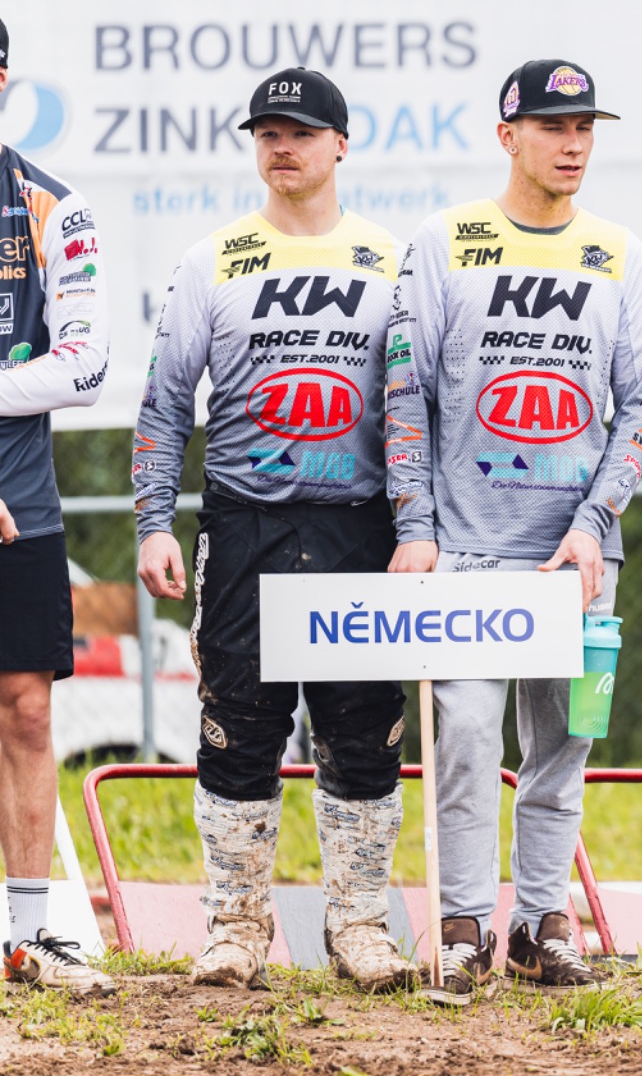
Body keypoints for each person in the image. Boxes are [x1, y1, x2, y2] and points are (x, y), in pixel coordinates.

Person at [387, 59, 642, 1004]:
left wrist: (594, 525)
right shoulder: (445, 240)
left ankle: (544, 925)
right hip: (466, 547)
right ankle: (463, 925)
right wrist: (416, 525)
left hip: (576, 555)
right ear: (508, 136)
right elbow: (405, 391)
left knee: (563, 744)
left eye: (585, 127)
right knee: (466, 735)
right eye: (552, 126)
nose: (573, 144)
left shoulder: (619, 252)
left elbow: (640, 406)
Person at [132, 69, 412, 993]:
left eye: (300, 132)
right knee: (238, 725)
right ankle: (236, 928)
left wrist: (420, 525)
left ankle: (360, 925)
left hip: (358, 528)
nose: (282, 147)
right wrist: (153, 523)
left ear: (341, 144)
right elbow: (165, 404)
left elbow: (419, 408)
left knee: (362, 729)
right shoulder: (212, 259)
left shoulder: (391, 260)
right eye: (267, 133)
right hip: (244, 522)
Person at [0, 17, 117, 995]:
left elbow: (83, 367)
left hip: (21, 505)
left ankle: (29, 934)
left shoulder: (51, 206)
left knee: (28, 711)